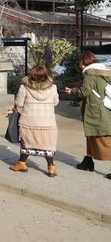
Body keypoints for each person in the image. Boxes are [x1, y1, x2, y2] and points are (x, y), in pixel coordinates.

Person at [65, 50, 111, 178]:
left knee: (103, 139)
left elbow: (84, 92)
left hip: (95, 111)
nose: (79, 64)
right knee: (91, 136)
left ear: (82, 61)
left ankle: (88, 161)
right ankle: (88, 161)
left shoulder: (89, 74)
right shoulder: (103, 71)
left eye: (79, 61)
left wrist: (72, 91)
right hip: (103, 108)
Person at [9, 65, 59, 177]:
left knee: (26, 143)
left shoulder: (24, 87)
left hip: (28, 122)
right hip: (48, 123)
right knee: (48, 145)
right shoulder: (53, 87)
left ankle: (21, 163)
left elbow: (19, 104)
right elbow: (56, 102)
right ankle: (51, 167)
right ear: (46, 76)